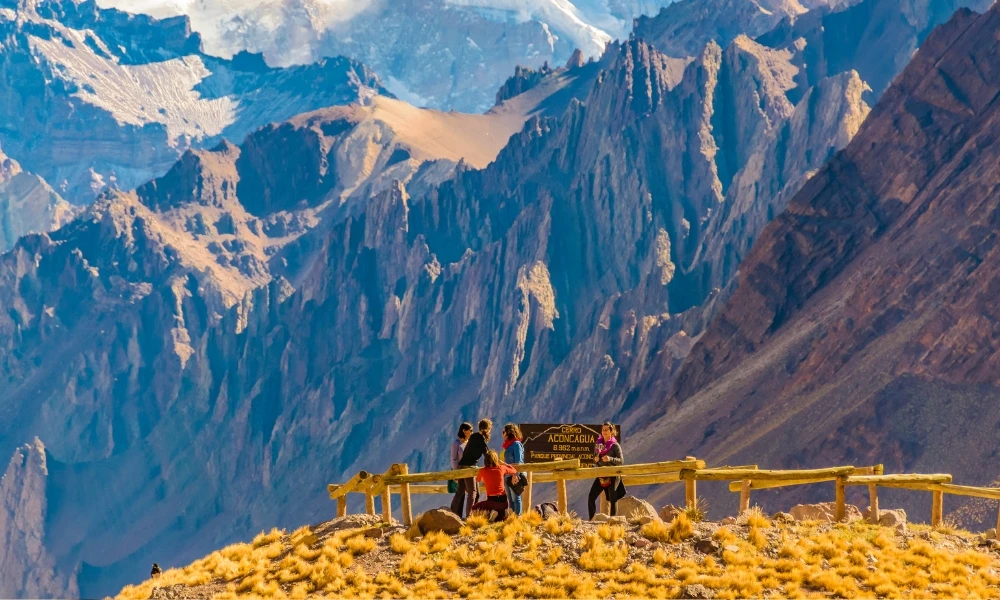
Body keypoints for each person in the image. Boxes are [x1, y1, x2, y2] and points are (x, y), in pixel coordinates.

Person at [450, 418, 492, 518]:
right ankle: (469, 516)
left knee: (460, 491)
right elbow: (487, 455)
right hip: (468, 467)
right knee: (472, 492)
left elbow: (465, 452)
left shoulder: (473, 436)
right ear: (488, 429)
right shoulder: (481, 439)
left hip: (461, 466)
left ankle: (451, 513)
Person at [588, 422, 626, 520]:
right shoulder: (598, 445)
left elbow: (621, 461)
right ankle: (592, 519)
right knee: (591, 497)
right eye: (603, 429)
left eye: (606, 430)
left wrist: (610, 459)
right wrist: (596, 461)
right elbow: (595, 459)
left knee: (613, 499)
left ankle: (612, 520)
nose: (604, 432)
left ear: (611, 431)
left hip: (613, 475)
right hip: (601, 475)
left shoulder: (615, 446)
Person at [470, 449, 516, 521]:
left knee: (474, 508)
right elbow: (513, 470)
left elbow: (478, 479)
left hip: (492, 501)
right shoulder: (501, 468)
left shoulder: (483, 470)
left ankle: (492, 512)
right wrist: (503, 463)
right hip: (504, 501)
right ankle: (505, 512)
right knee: (501, 517)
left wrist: (485, 480)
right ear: (496, 459)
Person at [502, 423, 526, 516]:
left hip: (514, 475)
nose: (502, 434)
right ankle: (512, 517)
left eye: (503, 432)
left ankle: (517, 518)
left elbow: (518, 461)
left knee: (516, 497)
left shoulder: (516, 444)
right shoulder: (507, 446)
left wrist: (515, 475)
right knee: (510, 499)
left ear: (509, 432)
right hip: (507, 475)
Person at [448, 422, 473, 495]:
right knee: (460, 493)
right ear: (464, 431)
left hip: (468, 471)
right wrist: (456, 474)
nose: (472, 433)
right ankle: (456, 506)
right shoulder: (456, 444)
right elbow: (454, 459)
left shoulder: (468, 443)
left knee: (472, 492)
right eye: (470, 431)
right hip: (459, 472)